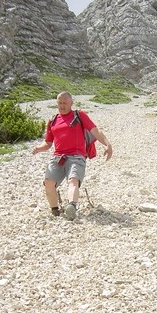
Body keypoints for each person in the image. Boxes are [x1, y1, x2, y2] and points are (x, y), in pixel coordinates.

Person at [32, 92, 113, 220]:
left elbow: (95, 130)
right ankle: (55, 210)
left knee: (73, 180)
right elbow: (48, 143)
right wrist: (39, 148)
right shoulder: (52, 120)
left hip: (77, 156)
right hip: (58, 157)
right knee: (48, 182)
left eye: (65, 103)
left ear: (71, 103)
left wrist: (107, 144)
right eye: (60, 103)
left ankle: (71, 206)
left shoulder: (79, 115)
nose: (62, 105)